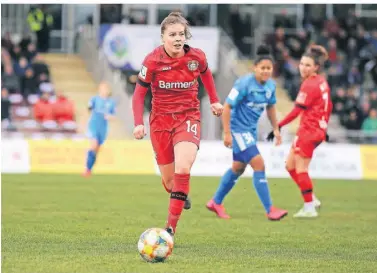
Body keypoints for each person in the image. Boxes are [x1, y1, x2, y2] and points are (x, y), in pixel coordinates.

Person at [132, 12, 223, 237]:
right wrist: (138, 123)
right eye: (172, 34)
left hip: (188, 117)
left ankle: (170, 228)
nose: (177, 38)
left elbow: (207, 75)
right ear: (163, 37)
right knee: (170, 180)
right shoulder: (152, 60)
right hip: (160, 122)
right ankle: (179, 193)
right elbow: (138, 95)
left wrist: (214, 100)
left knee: (183, 167)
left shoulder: (196, 57)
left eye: (181, 34)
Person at [206, 45, 288, 221]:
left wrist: (276, 129)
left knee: (238, 167)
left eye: (269, 68)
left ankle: (216, 202)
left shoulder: (271, 86)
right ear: (255, 68)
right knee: (259, 164)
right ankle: (270, 209)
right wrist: (227, 133)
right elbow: (227, 107)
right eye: (263, 68)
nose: (266, 71)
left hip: (249, 131)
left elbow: (271, 107)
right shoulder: (244, 83)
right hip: (237, 129)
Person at [267, 45, 333, 218]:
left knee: (301, 168)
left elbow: (296, 111)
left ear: (316, 67)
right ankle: (311, 197)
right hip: (315, 129)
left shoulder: (309, 84)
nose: (303, 67)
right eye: (302, 64)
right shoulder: (321, 82)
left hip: (309, 130)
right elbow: (329, 106)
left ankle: (309, 207)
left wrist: (278, 125)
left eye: (308, 65)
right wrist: (324, 125)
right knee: (290, 166)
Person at [83, 81, 116, 177]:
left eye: (105, 88)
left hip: (103, 127)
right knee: (94, 144)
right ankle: (86, 169)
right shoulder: (94, 99)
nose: (104, 90)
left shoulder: (111, 102)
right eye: (102, 88)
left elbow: (113, 116)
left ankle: (89, 169)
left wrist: (109, 117)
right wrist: (83, 122)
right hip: (94, 124)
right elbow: (88, 110)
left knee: (96, 149)